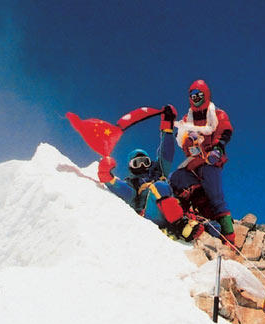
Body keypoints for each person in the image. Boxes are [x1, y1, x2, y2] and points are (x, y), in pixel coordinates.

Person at [97, 105, 202, 241]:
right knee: (159, 186)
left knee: (171, 187)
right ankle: (180, 226)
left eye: (144, 161)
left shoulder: (158, 171)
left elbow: (166, 152)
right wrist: (109, 179)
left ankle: (189, 224)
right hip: (151, 214)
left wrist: (167, 126)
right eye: (137, 163)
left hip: (171, 207)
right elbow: (127, 193)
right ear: (131, 167)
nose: (142, 166)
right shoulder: (133, 182)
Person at [169, 79, 236, 246]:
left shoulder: (217, 114)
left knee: (215, 196)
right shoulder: (187, 118)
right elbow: (181, 138)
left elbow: (224, 131)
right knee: (177, 178)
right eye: (193, 96)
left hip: (211, 160)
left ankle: (229, 237)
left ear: (206, 95)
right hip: (195, 160)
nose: (196, 99)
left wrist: (218, 148)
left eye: (199, 95)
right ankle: (186, 216)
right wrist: (187, 139)